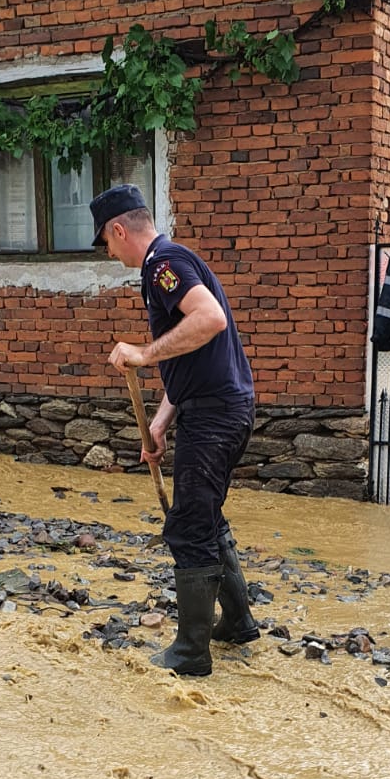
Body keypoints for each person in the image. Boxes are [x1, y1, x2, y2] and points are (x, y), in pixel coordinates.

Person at [90, 182, 259, 677]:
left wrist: (143, 353)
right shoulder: (168, 263)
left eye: (105, 240)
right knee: (204, 517)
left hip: (216, 415)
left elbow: (208, 319)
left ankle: (190, 654)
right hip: (212, 406)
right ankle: (238, 622)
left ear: (119, 230)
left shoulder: (163, 265)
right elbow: (192, 354)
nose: (107, 250)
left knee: (187, 527)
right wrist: (162, 421)